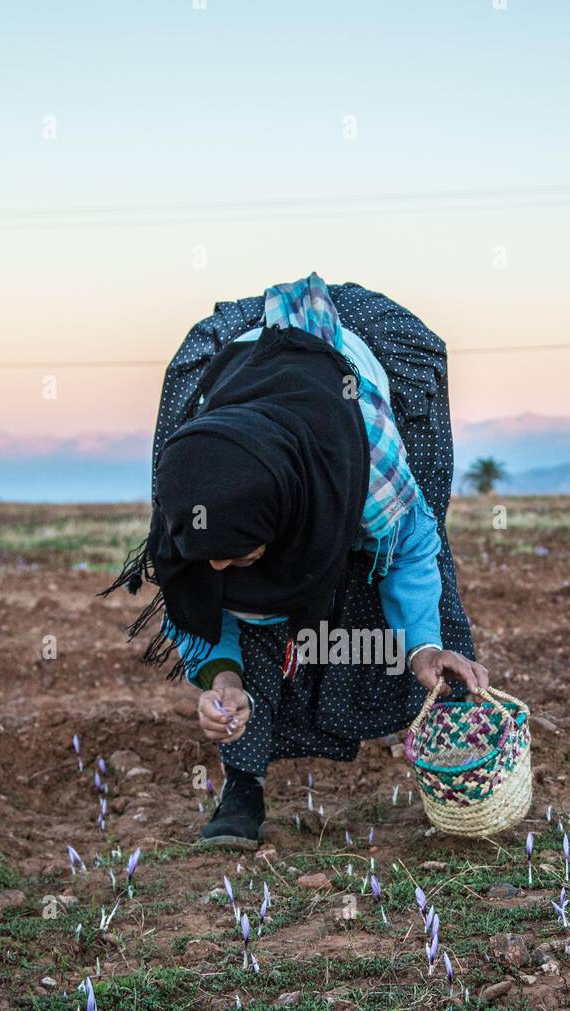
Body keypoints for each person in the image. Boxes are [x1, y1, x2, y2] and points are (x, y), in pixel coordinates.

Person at [104, 273, 488, 846]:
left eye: (239, 554)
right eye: (210, 557)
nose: (218, 571)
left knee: (406, 599)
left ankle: (462, 771)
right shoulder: (189, 495)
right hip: (244, 386)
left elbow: (411, 550)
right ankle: (243, 785)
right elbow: (197, 596)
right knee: (243, 608)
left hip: (356, 394)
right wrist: (222, 682)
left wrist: (423, 646)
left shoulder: (372, 479)